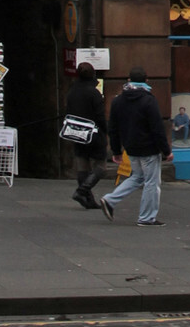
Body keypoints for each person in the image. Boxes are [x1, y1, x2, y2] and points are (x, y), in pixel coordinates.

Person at [102, 69, 169, 226]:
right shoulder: (148, 100)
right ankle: (146, 218)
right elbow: (157, 128)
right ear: (146, 80)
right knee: (151, 182)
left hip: (130, 147)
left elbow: (113, 127)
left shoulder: (118, 101)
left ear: (128, 80)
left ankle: (109, 200)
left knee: (137, 177)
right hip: (149, 148)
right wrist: (166, 150)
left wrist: (116, 150)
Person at [65, 60, 108, 208]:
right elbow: (100, 115)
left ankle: (88, 199)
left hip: (76, 132)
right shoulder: (94, 93)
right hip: (94, 133)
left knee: (82, 165)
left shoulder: (72, 92)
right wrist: (106, 130)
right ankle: (82, 191)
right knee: (101, 166)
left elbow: (69, 111)